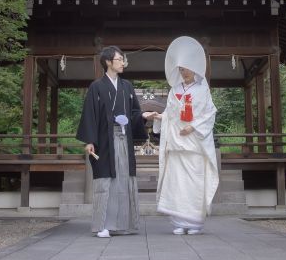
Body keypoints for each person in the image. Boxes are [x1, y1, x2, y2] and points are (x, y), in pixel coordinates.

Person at [143, 36, 219, 235]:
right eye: (180, 70)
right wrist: (160, 117)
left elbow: (210, 113)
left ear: (193, 68)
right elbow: (170, 113)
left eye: (185, 69)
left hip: (194, 144)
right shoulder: (174, 90)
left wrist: (193, 127)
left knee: (194, 182)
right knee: (177, 182)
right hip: (177, 142)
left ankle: (194, 223)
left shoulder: (203, 89)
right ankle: (179, 222)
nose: (183, 73)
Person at [76, 45, 147, 238]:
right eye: (119, 59)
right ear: (108, 62)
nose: (123, 63)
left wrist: (144, 116)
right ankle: (102, 225)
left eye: (123, 60)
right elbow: (90, 114)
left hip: (124, 138)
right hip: (105, 140)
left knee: (124, 179)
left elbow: (134, 113)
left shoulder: (127, 87)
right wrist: (90, 140)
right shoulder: (97, 87)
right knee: (106, 180)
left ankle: (124, 224)